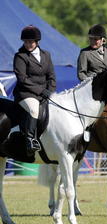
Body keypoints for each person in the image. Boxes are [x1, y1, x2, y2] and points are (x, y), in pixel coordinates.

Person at [13, 25, 56, 156]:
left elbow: (51, 76)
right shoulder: (20, 56)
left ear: (37, 42)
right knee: (34, 109)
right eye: (25, 42)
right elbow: (23, 79)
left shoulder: (46, 55)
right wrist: (41, 91)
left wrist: (50, 91)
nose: (28, 44)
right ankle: (30, 140)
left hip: (44, 92)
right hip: (25, 94)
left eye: (30, 42)